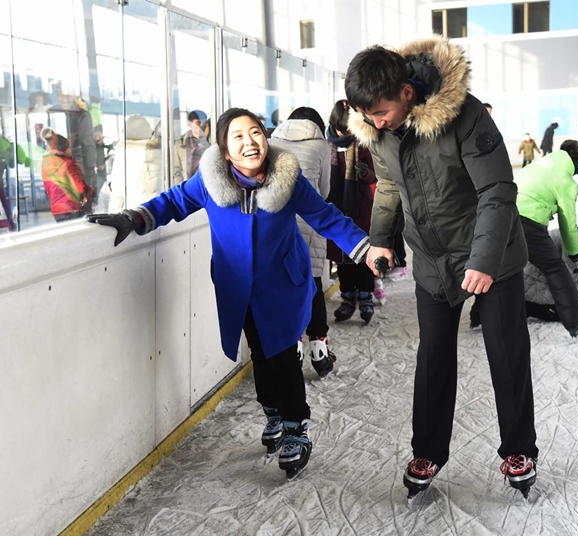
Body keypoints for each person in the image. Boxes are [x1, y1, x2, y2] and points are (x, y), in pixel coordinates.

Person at [86, 108, 370, 479]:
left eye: (255, 133)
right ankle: (272, 412)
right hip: (239, 287)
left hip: (283, 284)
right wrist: (135, 217)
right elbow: (172, 202)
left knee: (283, 354)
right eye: (238, 136)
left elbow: (327, 217)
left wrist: (366, 248)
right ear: (224, 150)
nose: (250, 142)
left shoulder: (288, 179)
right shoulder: (209, 181)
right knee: (260, 352)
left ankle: (296, 425)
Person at [345, 36, 538, 499]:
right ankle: (428, 450)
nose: (374, 123)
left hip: (490, 254)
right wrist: (381, 242)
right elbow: (389, 187)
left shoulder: (466, 114)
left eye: (381, 112)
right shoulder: (379, 131)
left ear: (406, 92)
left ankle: (519, 448)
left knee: (505, 351)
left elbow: (497, 191)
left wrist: (484, 261)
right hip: (432, 257)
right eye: (367, 115)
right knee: (433, 356)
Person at [471, 141, 578, 336]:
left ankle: (478, 316)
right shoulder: (566, 183)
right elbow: (568, 224)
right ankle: (576, 322)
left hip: (499, 216)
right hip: (529, 224)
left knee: (497, 268)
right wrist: (574, 253)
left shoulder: (534, 166)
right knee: (555, 269)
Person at [268, 106, 337, 377]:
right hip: (310, 222)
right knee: (313, 284)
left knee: (286, 286)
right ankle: (319, 347)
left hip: (278, 225)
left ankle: (292, 346)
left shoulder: (271, 141)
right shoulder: (322, 146)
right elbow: (324, 191)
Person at [325, 99, 378, 325]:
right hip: (336, 209)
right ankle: (348, 298)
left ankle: (366, 297)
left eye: (347, 129)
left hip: (360, 208)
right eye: (340, 129)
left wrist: (364, 172)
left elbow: (375, 176)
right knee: (343, 258)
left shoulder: (364, 143)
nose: (344, 133)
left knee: (364, 254)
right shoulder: (325, 146)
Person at [49, 88, 98, 202]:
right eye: (62, 95)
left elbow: (87, 143)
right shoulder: (52, 112)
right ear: (58, 95)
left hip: (75, 163)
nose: (65, 99)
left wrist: (90, 166)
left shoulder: (80, 115)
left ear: (74, 97)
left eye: (68, 96)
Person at [108, 115, 162, 212]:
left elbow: (117, 191)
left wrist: (113, 214)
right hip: (158, 210)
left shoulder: (123, 153)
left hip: (134, 213)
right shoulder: (160, 151)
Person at [40, 127, 93, 222]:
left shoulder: (46, 164)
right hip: (72, 208)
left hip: (57, 210)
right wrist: (90, 192)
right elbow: (80, 187)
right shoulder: (68, 164)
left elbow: (48, 189)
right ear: (65, 148)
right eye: (69, 148)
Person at [173, 110, 210, 185]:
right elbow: (176, 169)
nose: (201, 126)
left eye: (204, 123)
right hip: (188, 185)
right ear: (190, 124)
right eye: (198, 123)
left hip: (206, 184)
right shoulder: (181, 144)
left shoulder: (210, 142)